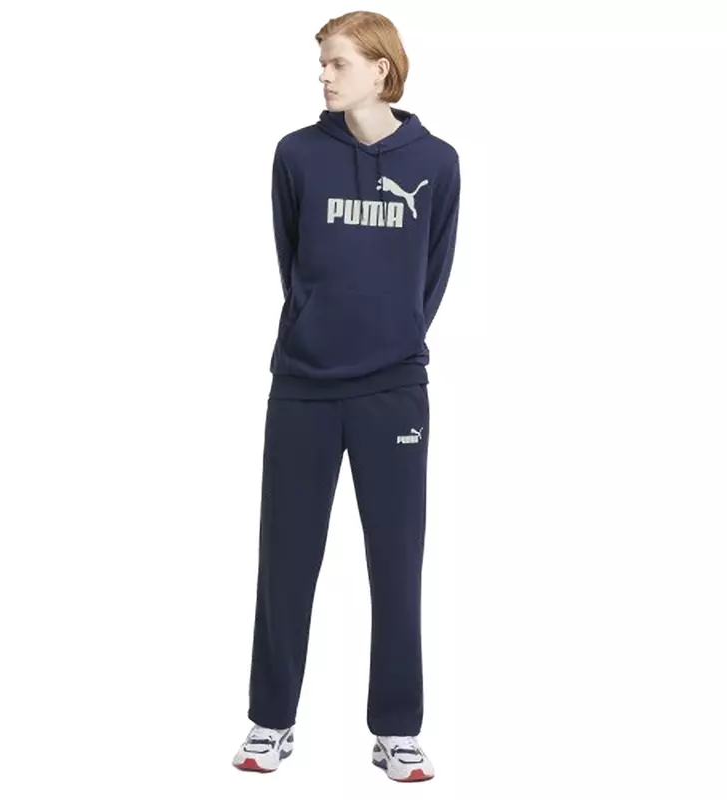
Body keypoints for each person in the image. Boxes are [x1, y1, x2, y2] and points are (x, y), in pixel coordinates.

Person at [231, 10, 461, 783]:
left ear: (380, 70)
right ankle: (271, 721)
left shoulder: (437, 163)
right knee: (285, 560)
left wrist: (393, 337)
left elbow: (431, 275)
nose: (324, 75)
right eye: (322, 63)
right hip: (302, 386)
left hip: (394, 391)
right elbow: (291, 260)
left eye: (338, 63)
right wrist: (318, 330)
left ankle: (397, 730)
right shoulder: (296, 155)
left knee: (397, 564)